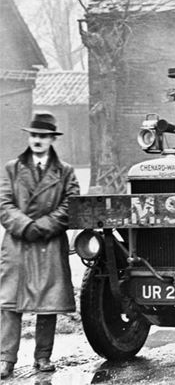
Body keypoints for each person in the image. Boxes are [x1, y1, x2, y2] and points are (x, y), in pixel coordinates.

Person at [1, 113, 80, 378]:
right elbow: (4, 204)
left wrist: (44, 226)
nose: (38, 141)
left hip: (49, 242)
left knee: (49, 303)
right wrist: (26, 226)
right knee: (10, 304)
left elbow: (71, 205)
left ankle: (43, 357)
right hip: (18, 243)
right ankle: (6, 359)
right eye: (34, 135)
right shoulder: (11, 168)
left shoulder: (65, 171)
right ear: (29, 138)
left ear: (51, 140)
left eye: (43, 137)